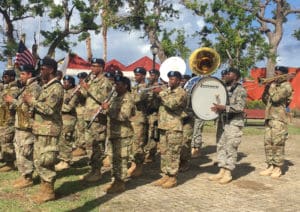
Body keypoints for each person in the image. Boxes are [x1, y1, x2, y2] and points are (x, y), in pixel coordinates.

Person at [23, 57, 64, 203]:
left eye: (43, 69)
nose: (40, 72)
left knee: (46, 160)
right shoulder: (46, 86)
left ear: (51, 70)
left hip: (49, 129)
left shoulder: (56, 88)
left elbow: (49, 110)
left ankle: (49, 192)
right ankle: (44, 189)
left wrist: (31, 101)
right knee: (39, 160)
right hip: (40, 129)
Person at [4, 64, 41, 188]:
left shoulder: (35, 88)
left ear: (30, 74)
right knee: (19, 150)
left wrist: (12, 101)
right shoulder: (25, 88)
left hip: (27, 125)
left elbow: (29, 106)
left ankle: (28, 177)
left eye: (23, 74)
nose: (21, 77)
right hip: (20, 123)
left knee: (25, 151)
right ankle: (24, 175)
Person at [208, 67, 247, 184]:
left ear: (235, 76)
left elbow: (240, 107)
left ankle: (228, 172)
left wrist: (224, 108)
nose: (225, 75)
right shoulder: (223, 88)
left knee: (231, 146)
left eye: (228, 73)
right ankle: (221, 170)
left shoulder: (240, 90)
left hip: (234, 123)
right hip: (223, 121)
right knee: (221, 145)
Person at [78, 58, 113, 182]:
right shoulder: (91, 81)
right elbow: (85, 97)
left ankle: (97, 171)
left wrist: (88, 89)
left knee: (97, 145)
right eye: (91, 66)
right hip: (88, 116)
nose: (92, 68)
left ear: (101, 67)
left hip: (98, 118)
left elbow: (104, 99)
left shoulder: (106, 82)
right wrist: (79, 92)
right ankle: (92, 169)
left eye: (94, 66)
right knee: (89, 145)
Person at [151, 71, 187, 188]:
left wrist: (161, 93)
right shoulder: (166, 91)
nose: (170, 81)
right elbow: (157, 106)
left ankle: (172, 177)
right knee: (164, 152)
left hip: (174, 127)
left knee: (173, 153)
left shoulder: (181, 93)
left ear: (179, 81)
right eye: (169, 79)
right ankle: (165, 174)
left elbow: (172, 104)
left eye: (173, 79)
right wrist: (155, 96)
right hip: (163, 125)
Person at [102, 76, 135, 193]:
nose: (116, 86)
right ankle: (115, 180)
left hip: (123, 134)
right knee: (113, 158)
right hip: (114, 132)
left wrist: (108, 110)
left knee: (121, 159)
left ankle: (120, 183)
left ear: (125, 85)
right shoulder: (115, 97)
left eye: (119, 84)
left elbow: (123, 116)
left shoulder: (128, 98)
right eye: (115, 84)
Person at [260, 66, 293, 178]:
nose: (275, 75)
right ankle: (270, 166)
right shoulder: (274, 86)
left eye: (277, 73)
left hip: (279, 120)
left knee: (278, 144)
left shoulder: (287, 86)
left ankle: (278, 168)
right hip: (269, 118)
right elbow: (266, 100)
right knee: (268, 143)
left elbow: (275, 99)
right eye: (274, 73)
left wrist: (272, 87)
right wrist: (266, 88)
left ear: (283, 74)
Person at [127, 67, 148, 177]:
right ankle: (133, 163)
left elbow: (136, 99)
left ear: (144, 76)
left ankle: (138, 166)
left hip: (139, 119)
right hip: (132, 118)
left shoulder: (145, 88)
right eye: (135, 75)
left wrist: (127, 95)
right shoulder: (135, 87)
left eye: (138, 75)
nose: (136, 77)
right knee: (132, 143)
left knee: (138, 144)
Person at [55, 75, 77, 171]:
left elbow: (69, 107)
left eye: (66, 82)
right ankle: (63, 159)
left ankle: (66, 161)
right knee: (61, 140)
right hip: (61, 118)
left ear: (71, 83)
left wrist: (57, 107)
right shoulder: (63, 92)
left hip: (69, 119)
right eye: (63, 82)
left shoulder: (74, 93)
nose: (64, 84)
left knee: (66, 140)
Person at [0, 69, 19, 172]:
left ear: (12, 77)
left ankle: (10, 163)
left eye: (6, 76)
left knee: (7, 141)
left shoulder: (14, 88)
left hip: (9, 119)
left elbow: (7, 103)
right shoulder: (6, 87)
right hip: (3, 118)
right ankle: (6, 160)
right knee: (3, 140)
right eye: (3, 77)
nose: (4, 78)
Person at [144, 69, 161, 163]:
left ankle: (151, 153)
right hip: (146, 113)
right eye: (150, 75)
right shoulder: (147, 86)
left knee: (152, 133)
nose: (151, 77)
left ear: (157, 76)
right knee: (145, 133)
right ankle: (146, 151)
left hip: (154, 113)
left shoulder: (159, 86)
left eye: (153, 75)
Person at [72, 72, 88, 157]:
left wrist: (80, 94)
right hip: (77, 110)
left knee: (82, 129)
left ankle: (82, 147)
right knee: (77, 129)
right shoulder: (78, 86)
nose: (80, 80)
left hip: (83, 110)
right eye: (79, 78)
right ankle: (78, 145)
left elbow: (86, 97)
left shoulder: (87, 86)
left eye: (82, 78)